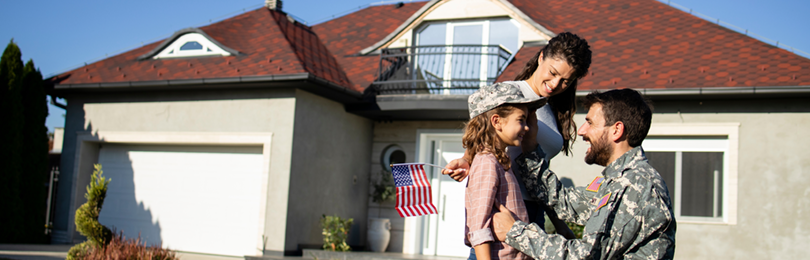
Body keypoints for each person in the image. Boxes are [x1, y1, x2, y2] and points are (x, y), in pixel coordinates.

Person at [492, 89, 677, 259]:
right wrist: (530, 146)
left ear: (616, 130)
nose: (581, 131)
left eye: (590, 123)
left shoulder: (637, 185)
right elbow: (563, 202)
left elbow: (587, 255)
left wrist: (516, 232)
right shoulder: (618, 181)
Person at [443, 32, 592, 239]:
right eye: (552, 72)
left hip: (535, 213)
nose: (555, 84)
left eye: (566, 81)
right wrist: (466, 159)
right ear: (541, 57)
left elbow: (540, 171)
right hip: (503, 208)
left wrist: (559, 224)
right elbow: (481, 134)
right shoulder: (508, 95)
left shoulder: (549, 107)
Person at [462, 82, 547, 260]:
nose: (527, 127)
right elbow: (478, 224)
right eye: (521, 119)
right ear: (497, 121)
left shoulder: (499, 160)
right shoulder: (487, 162)